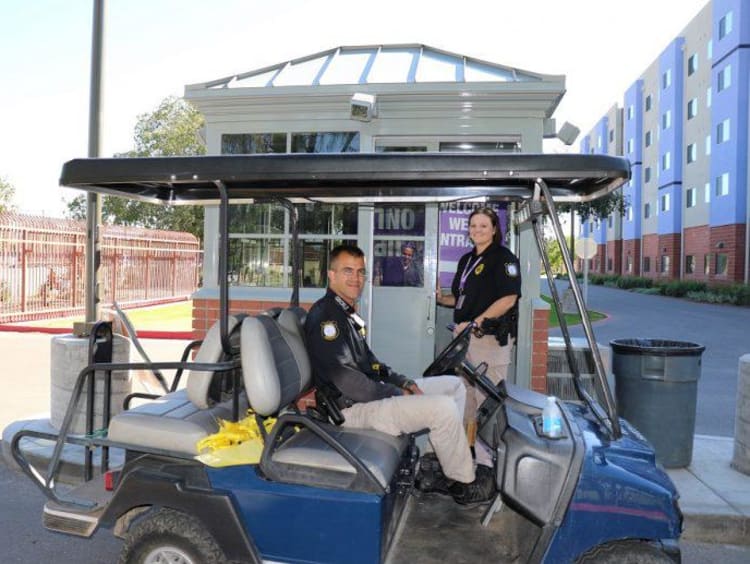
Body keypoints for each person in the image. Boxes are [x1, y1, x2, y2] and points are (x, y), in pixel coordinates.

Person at [304, 244, 494, 504]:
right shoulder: (327, 317)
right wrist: (396, 392)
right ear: (331, 275)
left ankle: (431, 465)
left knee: (454, 386)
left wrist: (402, 380)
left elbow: (370, 363)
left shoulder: (346, 313)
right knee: (442, 408)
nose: (356, 278)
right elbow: (347, 381)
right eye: (347, 271)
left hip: (369, 396)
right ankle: (463, 483)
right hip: (349, 410)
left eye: (360, 272)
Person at [436, 207, 521, 466]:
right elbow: (463, 300)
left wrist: (475, 322)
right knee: (467, 400)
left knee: (488, 402)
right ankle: (470, 455)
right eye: (473, 226)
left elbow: (509, 298)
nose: (477, 230)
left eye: (483, 226)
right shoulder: (467, 260)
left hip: (488, 341)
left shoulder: (504, 259)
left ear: (494, 229)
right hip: (465, 340)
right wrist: (443, 299)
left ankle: (494, 462)